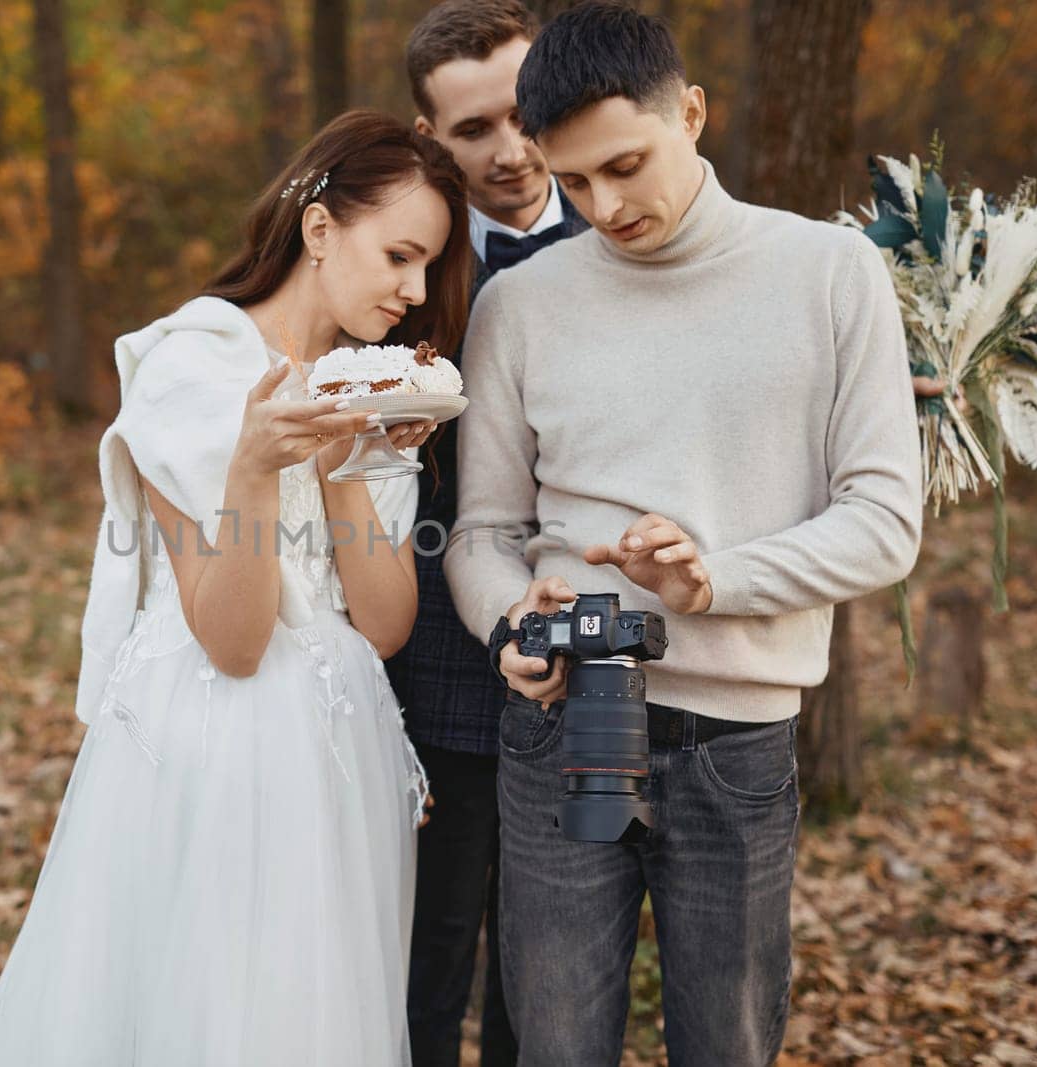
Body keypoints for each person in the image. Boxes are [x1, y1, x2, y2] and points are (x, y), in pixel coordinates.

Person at [443, 4, 923, 1065]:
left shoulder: (831, 275)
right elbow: (479, 531)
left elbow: (887, 523)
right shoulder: (517, 306)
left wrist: (717, 580)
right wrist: (509, 619)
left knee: (728, 1043)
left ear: (692, 112)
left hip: (736, 749)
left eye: (623, 165)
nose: (602, 206)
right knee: (555, 1043)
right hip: (560, 731)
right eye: (572, 182)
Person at [0, 109, 477, 1066]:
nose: (412, 293)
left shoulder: (380, 386)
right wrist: (251, 466)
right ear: (321, 230)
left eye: (427, 268)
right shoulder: (188, 366)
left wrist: (343, 457)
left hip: (342, 745)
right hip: (216, 743)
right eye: (399, 256)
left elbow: (387, 620)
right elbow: (233, 644)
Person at [389, 3, 589, 1065]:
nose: (508, 152)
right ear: (429, 137)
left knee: (546, 963)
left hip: (585, 648)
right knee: (422, 957)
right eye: (473, 131)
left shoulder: (622, 233)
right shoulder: (401, 268)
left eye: (521, 114)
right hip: (424, 651)